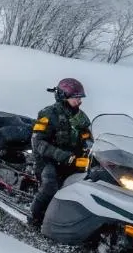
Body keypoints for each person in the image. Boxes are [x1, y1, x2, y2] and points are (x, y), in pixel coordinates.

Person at [27, 77, 93, 231]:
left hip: (73, 161)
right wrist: (63, 155)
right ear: (64, 96)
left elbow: (87, 138)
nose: (79, 101)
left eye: (80, 98)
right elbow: (38, 142)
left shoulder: (81, 117)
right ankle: (33, 221)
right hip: (48, 160)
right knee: (50, 186)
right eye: (76, 97)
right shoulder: (48, 114)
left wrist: (92, 149)